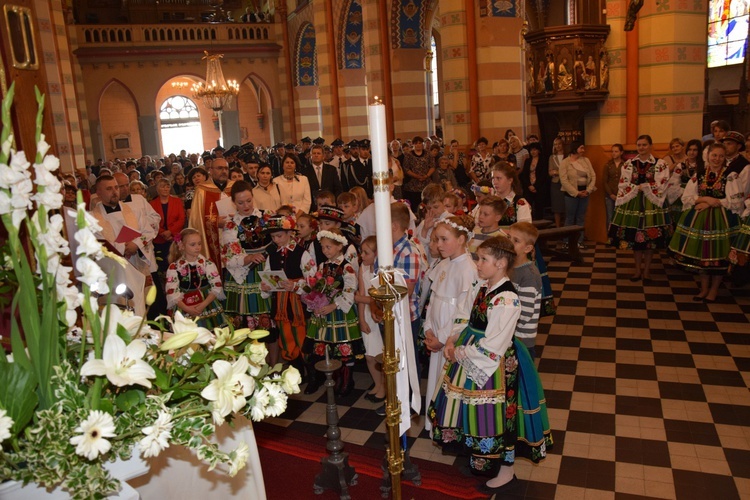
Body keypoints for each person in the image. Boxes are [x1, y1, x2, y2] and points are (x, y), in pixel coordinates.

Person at [428, 236, 552, 493]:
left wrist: (460, 352)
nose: (478, 263)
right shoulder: (483, 286)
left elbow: (494, 344)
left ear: (501, 263)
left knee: (500, 416)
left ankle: (506, 469)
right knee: (473, 413)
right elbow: (466, 313)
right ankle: (481, 458)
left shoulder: (507, 299)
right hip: (469, 350)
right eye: (478, 257)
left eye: (484, 259)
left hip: (493, 364)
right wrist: (453, 337)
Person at [669, 142, 746, 301]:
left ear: (725, 158)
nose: (717, 159)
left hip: (722, 219)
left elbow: (736, 201)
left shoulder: (730, 175)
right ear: (708, 156)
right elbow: (687, 197)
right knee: (703, 256)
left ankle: (714, 290)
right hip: (700, 218)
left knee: (717, 256)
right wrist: (704, 199)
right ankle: (704, 289)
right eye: (714, 155)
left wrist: (714, 202)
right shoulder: (700, 174)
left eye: (721, 156)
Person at [422, 215, 477, 431]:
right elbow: (434, 299)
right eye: (436, 240)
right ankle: (434, 422)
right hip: (435, 333)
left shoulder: (468, 269)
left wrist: (443, 339)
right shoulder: (443, 264)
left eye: (444, 240)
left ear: (462, 239)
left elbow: (463, 311)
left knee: (448, 382)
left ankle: (447, 426)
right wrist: (428, 329)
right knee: (435, 378)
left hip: (451, 337)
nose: (438, 245)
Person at [299, 228, 364, 397]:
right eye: (323, 247)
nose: (325, 251)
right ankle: (335, 378)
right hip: (324, 311)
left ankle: (347, 381)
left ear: (339, 247)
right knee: (328, 347)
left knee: (343, 347)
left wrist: (334, 305)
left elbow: (350, 290)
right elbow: (318, 286)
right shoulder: (322, 265)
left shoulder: (346, 267)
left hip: (339, 311)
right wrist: (316, 299)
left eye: (328, 247)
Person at [220, 181, 277, 362]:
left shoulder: (267, 217)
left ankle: (273, 369)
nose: (246, 206)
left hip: (265, 269)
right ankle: (245, 368)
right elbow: (229, 255)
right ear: (233, 202)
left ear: (253, 197)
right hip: (241, 274)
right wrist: (249, 258)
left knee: (269, 324)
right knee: (240, 327)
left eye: (248, 201)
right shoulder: (230, 224)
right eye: (240, 202)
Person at [609, 134, 672, 282]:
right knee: (636, 241)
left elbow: (662, 182)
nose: (641, 147)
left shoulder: (660, 163)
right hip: (634, 202)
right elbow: (623, 183)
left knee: (650, 240)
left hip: (652, 203)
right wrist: (637, 188)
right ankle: (637, 270)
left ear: (651, 146)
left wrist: (646, 187)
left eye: (644, 145)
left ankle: (647, 271)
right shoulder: (629, 163)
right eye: (639, 145)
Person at [260, 215, 312, 369]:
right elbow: (268, 275)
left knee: (302, 334)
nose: (276, 240)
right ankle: (295, 368)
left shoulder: (302, 253)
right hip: (281, 304)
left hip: (298, 304)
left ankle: (310, 370)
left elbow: (312, 281)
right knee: (286, 335)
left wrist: (296, 286)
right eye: (273, 237)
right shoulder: (272, 255)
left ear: (290, 233)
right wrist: (266, 286)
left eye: (279, 236)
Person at [164, 227, 227, 329]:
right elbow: (172, 292)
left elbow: (216, 286)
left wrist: (203, 305)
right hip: (185, 305)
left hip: (207, 304)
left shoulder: (208, 264)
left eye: (199, 243)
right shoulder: (174, 267)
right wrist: (187, 309)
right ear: (182, 246)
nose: (197, 247)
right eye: (193, 245)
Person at [354, 236, 385, 402]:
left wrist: (360, 299)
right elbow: (362, 294)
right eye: (361, 252)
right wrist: (361, 319)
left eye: (366, 253)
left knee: (380, 355)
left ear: (377, 254)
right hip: (367, 314)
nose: (362, 256)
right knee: (369, 355)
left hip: (379, 315)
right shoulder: (362, 268)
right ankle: (377, 383)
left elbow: (375, 299)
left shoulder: (381, 272)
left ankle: (384, 388)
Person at [188, 158, 232, 275]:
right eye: (220, 168)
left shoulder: (235, 187)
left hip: (234, 238)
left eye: (226, 168)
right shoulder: (202, 190)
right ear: (211, 171)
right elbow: (196, 219)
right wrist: (215, 222)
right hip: (214, 238)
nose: (224, 171)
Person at [508, 222, 543, 359]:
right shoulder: (509, 266)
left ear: (527, 248)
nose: (510, 243)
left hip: (521, 339)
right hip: (509, 335)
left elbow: (525, 314)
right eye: (509, 238)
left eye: (516, 241)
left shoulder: (529, 275)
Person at [559, 141, 596, 249]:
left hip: (585, 193)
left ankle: (579, 241)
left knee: (580, 217)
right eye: (581, 148)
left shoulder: (586, 160)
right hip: (571, 194)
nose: (583, 150)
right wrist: (576, 193)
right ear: (575, 149)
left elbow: (593, 176)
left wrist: (588, 190)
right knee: (570, 218)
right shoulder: (565, 162)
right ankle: (566, 242)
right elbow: (564, 180)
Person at [149, 178, 186, 275]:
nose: (165, 189)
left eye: (167, 186)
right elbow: (151, 222)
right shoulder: (152, 204)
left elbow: (181, 219)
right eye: (162, 186)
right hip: (159, 239)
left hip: (174, 238)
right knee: (162, 266)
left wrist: (170, 231)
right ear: (157, 189)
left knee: (176, 263)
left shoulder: (177, 201)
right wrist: (162, 232)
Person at [666, 139, 702, 226]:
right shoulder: (681, 165)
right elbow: (674, 181)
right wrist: (681, 191)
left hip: (696, 193)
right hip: (681, 193)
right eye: (690, 150)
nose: (692, 152)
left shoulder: (703, 166)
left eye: (695, 150)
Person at [304, 144, 343, 209]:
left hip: (330, 206)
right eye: (314, 153)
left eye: (318, 153)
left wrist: (333, 202)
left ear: (323, 156)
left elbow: (338, 188)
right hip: (312, 207)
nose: (316, 155)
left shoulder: (331, 170)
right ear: (311, 156)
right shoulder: (305, 171)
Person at [402, 136, 434, 211]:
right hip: (413, 184)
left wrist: (426, 176)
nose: (418, 145)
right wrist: (416, 176)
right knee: (414, 205)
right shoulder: (409, 155)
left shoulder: (428, 154)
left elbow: (432, 166)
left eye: (420, 143)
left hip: (426, 182)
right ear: (413, 145)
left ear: (422, 144)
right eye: (416, 143)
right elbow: (406, 168)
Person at [519, 142, 549, 220]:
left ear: (538, 150)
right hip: (528, 188)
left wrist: (535, 186)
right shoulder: (527, 161)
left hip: (539, 188)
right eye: (531, 150)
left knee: (539, 208)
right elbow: (524, 175)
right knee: (528, 207)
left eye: (535, 150)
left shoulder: (543, 161)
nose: (533, 152)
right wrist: (529, 185)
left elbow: (544, 175)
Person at [602, 143, 625, 230]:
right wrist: (610, 194)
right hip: (610, 195)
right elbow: (604, 181)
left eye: (616, 151)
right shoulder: (608, 165)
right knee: (610, 216)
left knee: (621, 217)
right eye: (612, 151)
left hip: (622, 195)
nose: (614, 153)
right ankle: (609, 237)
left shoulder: (625, 165)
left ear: (621, 152)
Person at [548, 137, 566, 228]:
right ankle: (558, 227)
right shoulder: (552, 157)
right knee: (556, 207)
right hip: (555, 183)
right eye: (555, 144)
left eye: (559, 144)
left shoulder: (567, 156)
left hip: (566, 183)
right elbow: (550, 172)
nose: (557, 146)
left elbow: (567, 171)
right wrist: (559, 172)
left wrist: (557, 172)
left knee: (566, 206)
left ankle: (566, 227)